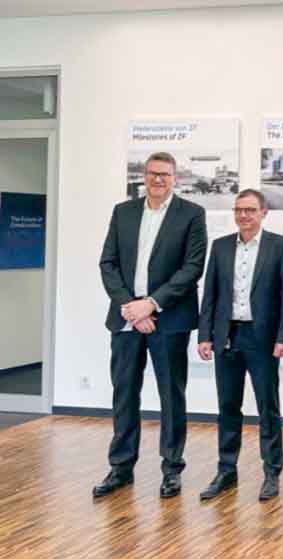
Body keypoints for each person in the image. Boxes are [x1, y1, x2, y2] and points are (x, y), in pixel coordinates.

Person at [94, 151, 207, 499]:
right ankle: (120, 468)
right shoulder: (123, 212)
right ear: (144, 176)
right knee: (124, 393)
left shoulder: (191, 214)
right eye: (153, 173)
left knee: (171, 395)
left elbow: (192, 268)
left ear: (175, 178)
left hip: (168, 318)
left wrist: (151, 304)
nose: (158, 179)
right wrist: (132, 308)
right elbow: (108, 263)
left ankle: (172, 469)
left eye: (165, 174)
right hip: (127, 317)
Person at [196, 189, 283, 502]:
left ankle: (272, 472)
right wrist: (205, 335)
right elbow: (210, 294)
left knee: (268, 407)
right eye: (239, 209)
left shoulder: (281, 246)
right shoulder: (221, 246)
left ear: (264, 213)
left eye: (250, 210)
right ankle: (226, 471)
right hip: (227, 336)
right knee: (228, 406)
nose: (243, 215)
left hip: (262, 338)